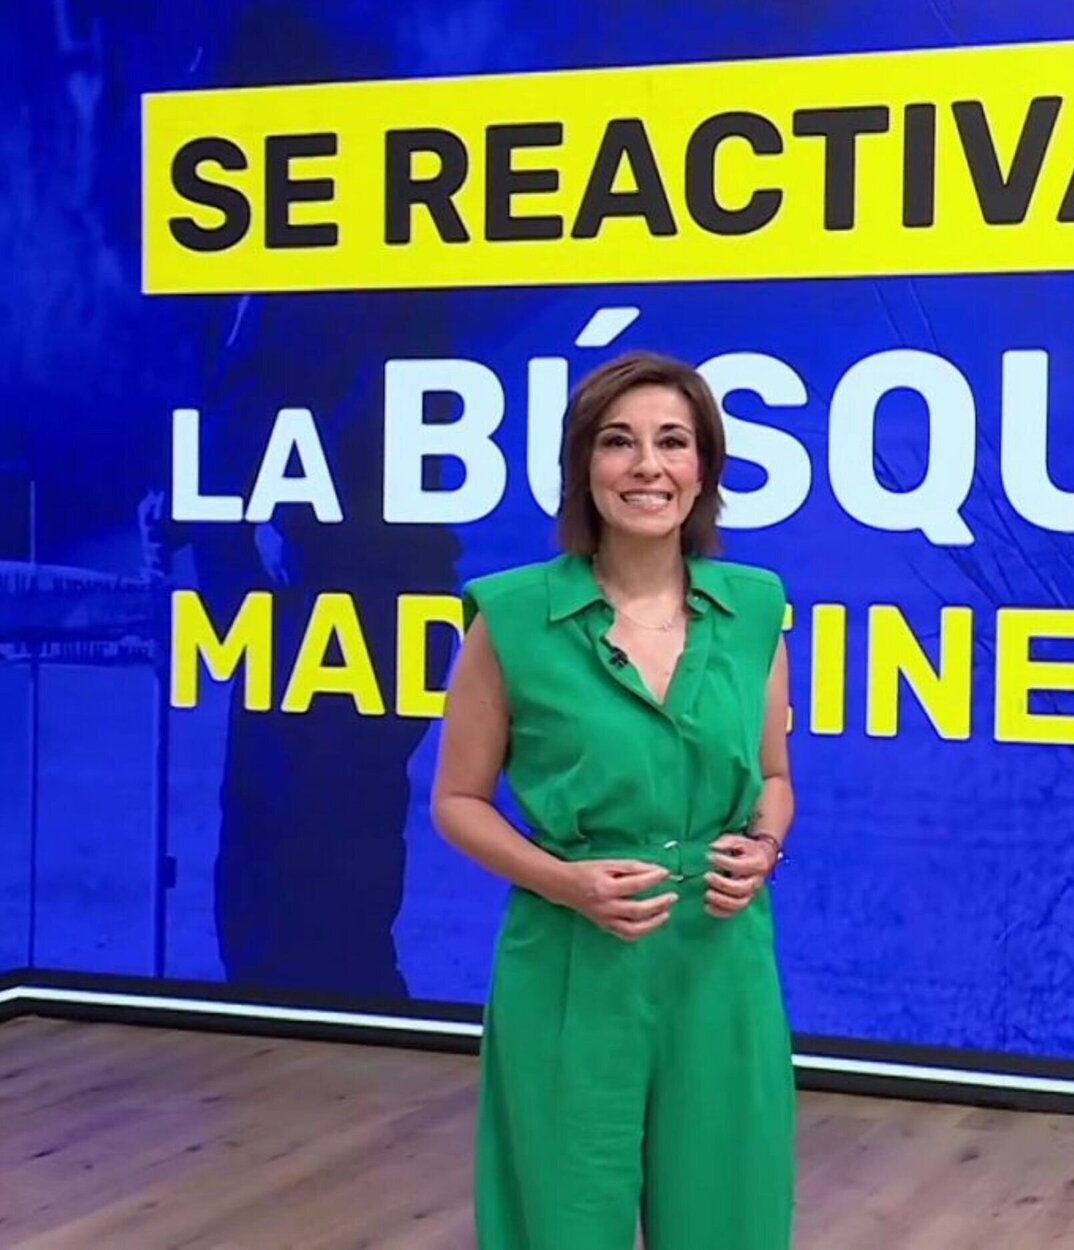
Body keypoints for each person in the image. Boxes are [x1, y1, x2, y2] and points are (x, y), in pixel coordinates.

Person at [431, 351, 796, 1249]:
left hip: (719, 956)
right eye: (618, 442)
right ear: (583, 466)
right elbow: (457, 800)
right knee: (562, 1217)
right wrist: (567, 883)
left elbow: (775, 779)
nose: (647, 466)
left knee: (728, 1215)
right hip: (570, 958)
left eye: (672, 442)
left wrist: (765, 846)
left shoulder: (755, 609)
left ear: (703, 468)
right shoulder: (511, 617)